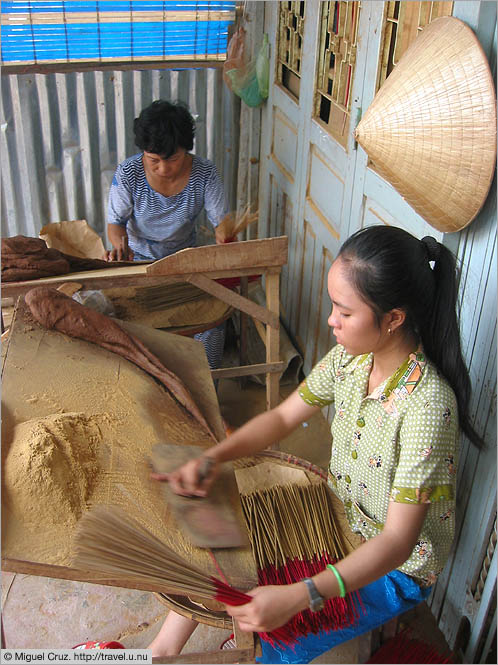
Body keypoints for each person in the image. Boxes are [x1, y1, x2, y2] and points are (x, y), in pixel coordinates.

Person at [149, 225, 484, 663]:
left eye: (344, 312)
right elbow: (283, 417)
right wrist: (212, 458)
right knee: (221, 535)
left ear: (393, 319)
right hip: (339, 506)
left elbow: (398, 542)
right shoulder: (351, 358)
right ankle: (161, 650)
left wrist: (301, 594)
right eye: (333, 306)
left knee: (283, 637)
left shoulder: (426, 407)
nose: (331, 321)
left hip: (396, 567)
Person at [106, 99, 230, 370]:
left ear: (186, 150)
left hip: (185, 267)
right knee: (127, 327)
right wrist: (120, 244)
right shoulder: (129, 174)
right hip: (139, 266)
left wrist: (225, 238)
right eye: (153, 160)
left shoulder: (204, 173)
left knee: (212, 327)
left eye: (172, 159)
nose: (163, 168)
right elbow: (115, 224)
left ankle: (207, 395)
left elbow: (222, 222)